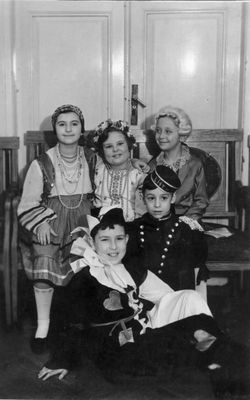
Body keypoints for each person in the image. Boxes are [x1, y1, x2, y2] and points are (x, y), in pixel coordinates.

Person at [38, 207, 249, 399]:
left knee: (190, 300)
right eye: (104, 240)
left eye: (119, 238)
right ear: (92, 242)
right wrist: (62, 360)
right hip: (119, 355)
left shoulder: (132, 268)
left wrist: (191, 324)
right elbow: (67, 323)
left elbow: (166, 296)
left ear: (127, 239)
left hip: (146, 332)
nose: (113, 247)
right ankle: (220, 362)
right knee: (204, 344)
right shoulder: (84, 278)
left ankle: (217, 364)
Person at [17, 104, 94, 354]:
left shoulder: (93, 158)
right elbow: (28, 201)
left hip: (85, 220)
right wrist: (39, 222)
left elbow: (115, 174)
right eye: (62, 124)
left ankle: (82, 325)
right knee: (44, 256)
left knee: (90, 262)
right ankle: (43, 326)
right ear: (55, 129)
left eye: (74, 123)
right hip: (50, 220)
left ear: (82, 128)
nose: (68, 129)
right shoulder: (41, 163)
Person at [126, 165, 209, 291]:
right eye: (151, 198)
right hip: (144, 297)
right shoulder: (134, 229)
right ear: (143, 198)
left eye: (164, 198)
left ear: (173, 198)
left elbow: (195, 277)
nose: (157, 204)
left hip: (176, 296)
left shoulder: (185, 230)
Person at [148, 106, 209, 221]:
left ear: (181, 135)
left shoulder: (195, 164)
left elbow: (201, 201)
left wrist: (186, 221)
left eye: (168, 131)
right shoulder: (152, 166)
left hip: (188, 221)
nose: (161, 136)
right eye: (158, 130)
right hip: (159, 222)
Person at [87, 119, 148, 221]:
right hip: (102, 227)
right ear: (101, 151)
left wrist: (133, 161)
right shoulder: (98, 169)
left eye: (120, 144)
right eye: (109, 146)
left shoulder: (138, 174)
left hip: (130, 226)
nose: (115, 149)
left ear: (129, 145)